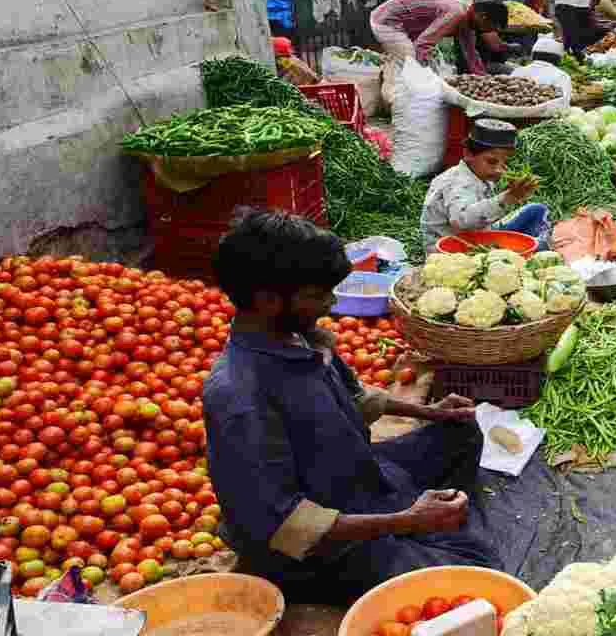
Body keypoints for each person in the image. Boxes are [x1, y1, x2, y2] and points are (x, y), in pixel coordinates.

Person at [204, 211, 499, 605]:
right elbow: (283, 525)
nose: (331, 303)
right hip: (314, 551)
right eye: (317, 295)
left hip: (357, 477)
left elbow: (357, 399)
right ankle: (419, 536)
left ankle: (426, 531)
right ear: (267, 300)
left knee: (460, 432)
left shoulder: (303, 338)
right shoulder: (240, 396)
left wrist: (435, 413)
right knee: (476, 571)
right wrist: (405, 520)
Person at [421, 120, 549, 253]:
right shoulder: (456, 182)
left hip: (479, 236)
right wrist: (507, 198)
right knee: (541, 246)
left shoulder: (480, 175)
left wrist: (511, 194)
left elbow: (484, 211)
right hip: (455, 249)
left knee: (536, 210)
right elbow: (463, 221)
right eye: (492, 162)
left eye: (505, 162)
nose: (499, 169)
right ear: (468, 154)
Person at [369, 0, 509, 76]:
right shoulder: (457, 14)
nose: (487, 32)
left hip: (407, 27)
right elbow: (422, 45)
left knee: (423, 70)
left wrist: (484, 80)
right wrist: (423, 75)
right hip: (387, 22)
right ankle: (398, 102)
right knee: (410, 63)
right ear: (482, 17)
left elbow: (471, 55)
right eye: (489, 28)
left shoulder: (468, 22)